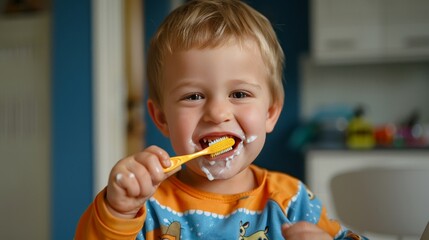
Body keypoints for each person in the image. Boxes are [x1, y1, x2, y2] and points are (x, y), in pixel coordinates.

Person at [76, 0, 367, 239]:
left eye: (239, 94)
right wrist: (118, 211)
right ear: (162, 118)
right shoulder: (146, 208)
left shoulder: (291, 202)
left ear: (270, 113)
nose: (217, 113)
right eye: (193, 96)